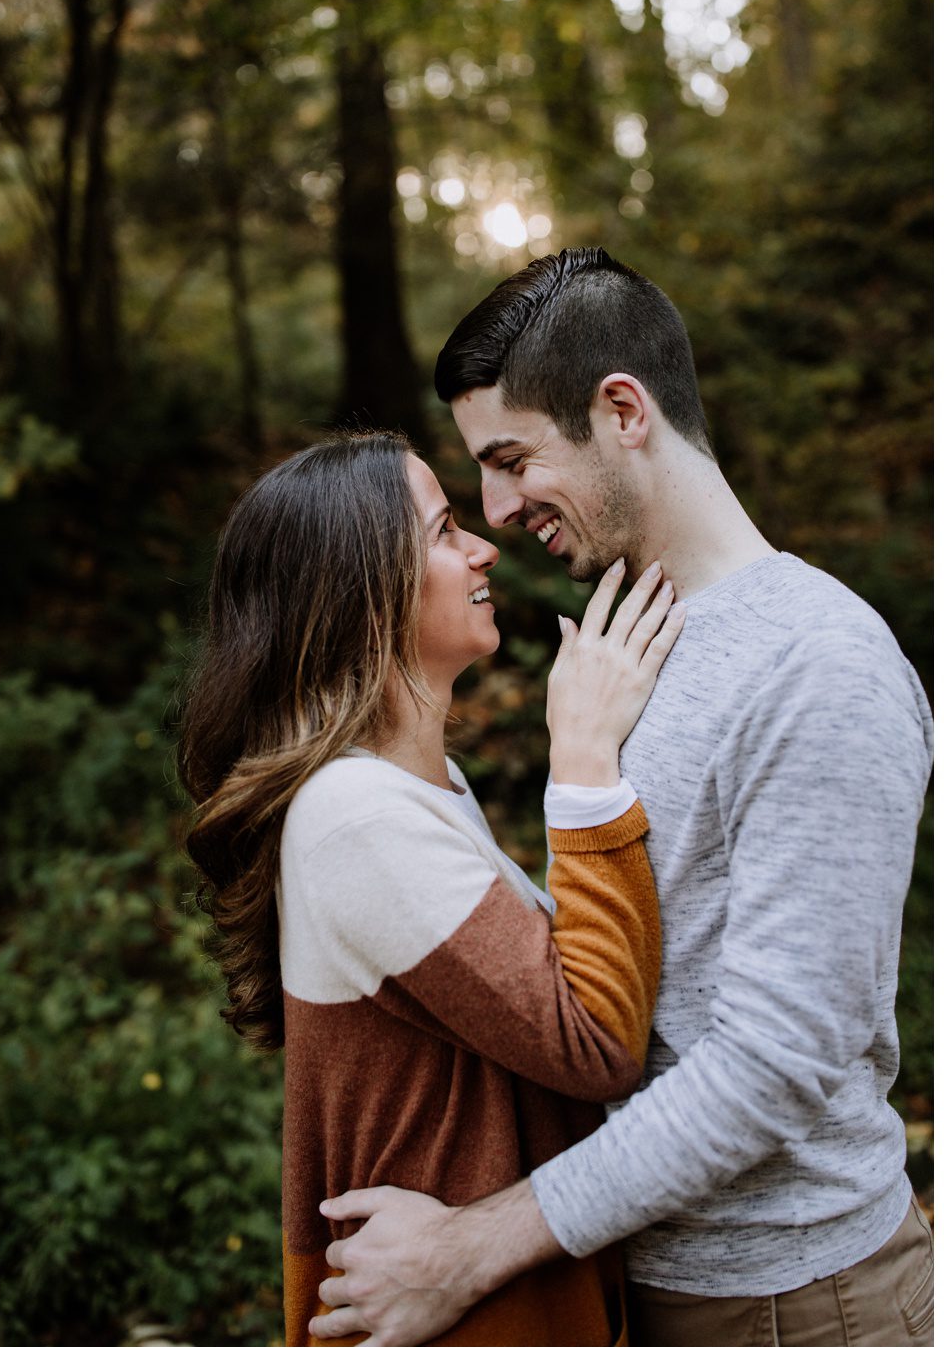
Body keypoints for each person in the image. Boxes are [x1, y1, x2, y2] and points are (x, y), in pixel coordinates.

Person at [311, 248, 934, 1345]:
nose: (495, 508)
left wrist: (473, 1243)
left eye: (510, 460)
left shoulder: (818, 663)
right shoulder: (626, 639)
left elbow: (772, 1065)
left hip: (787, 1300)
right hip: (625, 1275)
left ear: (619, 411)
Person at [179, 431, 684, 1343]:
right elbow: (598, 1041)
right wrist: (582, 766)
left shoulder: (417, 790)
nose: (485, 546)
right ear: (361, 592)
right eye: (446, 529)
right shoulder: (356, 816)